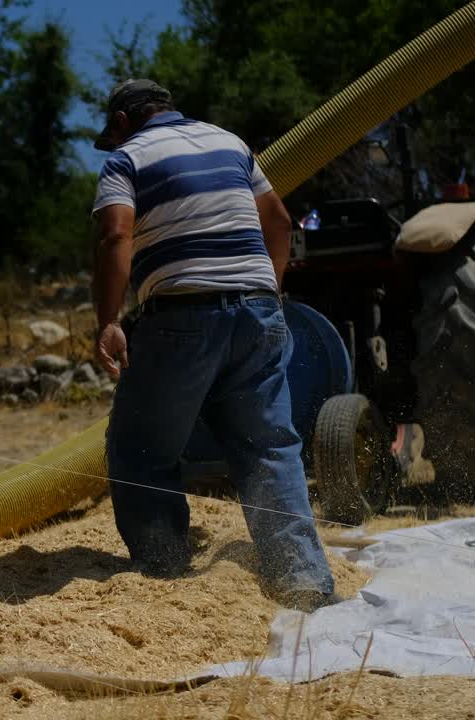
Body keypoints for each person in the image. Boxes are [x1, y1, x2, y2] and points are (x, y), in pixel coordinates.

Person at [89, 79, 338, 611]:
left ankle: (164, 580)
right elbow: (278, 220)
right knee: (269, 448)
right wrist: (268, 288)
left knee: (140, 447)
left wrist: (109, 319)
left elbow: (115, 236)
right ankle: (303, 584)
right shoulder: (232, 142)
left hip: (181, 314)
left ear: (123, 122)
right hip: (258, 313)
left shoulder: (126, 159)